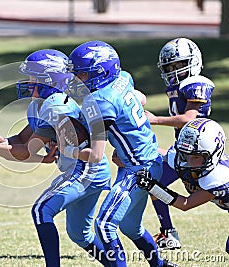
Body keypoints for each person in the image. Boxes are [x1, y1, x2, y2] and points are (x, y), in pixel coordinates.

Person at [0, 49, 112, 267]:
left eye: (34, 77)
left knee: (41, 210)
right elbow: (21, 138)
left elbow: (27, 152)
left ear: (50, 80)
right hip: (86, 169)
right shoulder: (41, 103)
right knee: (79, 235)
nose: (28, 81)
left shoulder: (56, 107)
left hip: (85, 168)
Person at [63, 40, 177, 267]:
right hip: (147, 160)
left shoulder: (102, 102)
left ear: (102, 73)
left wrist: (67, 149)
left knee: (104, 225)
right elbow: (140, 98)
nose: (77, 81)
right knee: (130, 226)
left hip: (138, 170)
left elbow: (96, 155)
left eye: (83, 75)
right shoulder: (122, 77)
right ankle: (160, 265)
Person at [144, 37, 214, 250]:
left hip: (201, 151)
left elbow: (189, 119)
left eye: (180, 65)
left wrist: (155, 119)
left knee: (220, 192)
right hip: (183, 150)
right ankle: (168, 233)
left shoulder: (196, 83)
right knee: (154, 184)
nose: (175, 70)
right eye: (171, 66)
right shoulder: (178, 86)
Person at [136, 118, 229, 254]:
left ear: (214, 154)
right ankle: (168, 232)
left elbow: (186, 204)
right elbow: (162, 153)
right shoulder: (184, 157)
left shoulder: (218, 177)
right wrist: (132, 153)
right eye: (186, 155)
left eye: (196, 157)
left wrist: (152, 186)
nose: (189, 162)